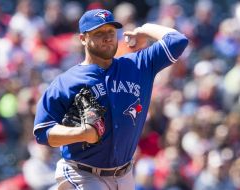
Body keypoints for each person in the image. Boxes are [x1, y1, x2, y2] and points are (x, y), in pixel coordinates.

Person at [33, 8, 188, 190]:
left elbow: (178, 41)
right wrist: (82, 134)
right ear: (83, 38)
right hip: (82, 173)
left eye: (111, 32)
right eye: (99, 33)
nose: (107, 37)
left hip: (125, 175)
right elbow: (42, 132)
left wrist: (144, 29)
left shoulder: (138, 65)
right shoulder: (66, 82)